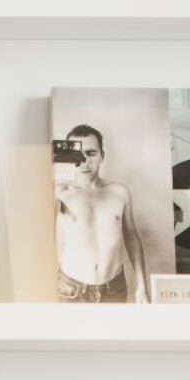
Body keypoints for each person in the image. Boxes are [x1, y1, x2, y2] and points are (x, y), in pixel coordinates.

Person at [55, 123, 149, 303]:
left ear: (101, 156)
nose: (85, 161)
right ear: (67, 157)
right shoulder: (60, 192)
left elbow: (131, 238)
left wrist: (142, 287)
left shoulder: (120, 192)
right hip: (70, 289)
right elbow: (35, 230)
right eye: (77, 155)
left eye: (91, 153)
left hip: (113, 288)